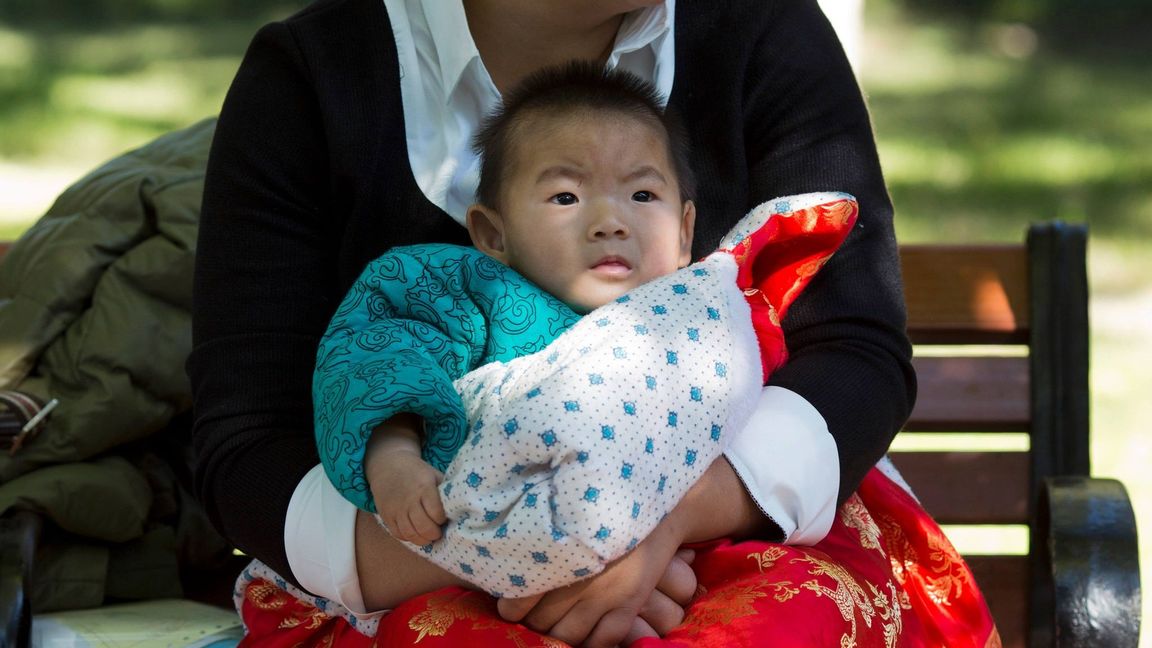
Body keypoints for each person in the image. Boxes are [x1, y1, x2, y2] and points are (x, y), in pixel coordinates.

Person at [192, 1, 997, 646]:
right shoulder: (312, 76)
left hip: (736, 517)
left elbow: (854, 354)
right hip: (420, 559)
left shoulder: (763, 30)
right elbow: (247, 439)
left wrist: (654, 523)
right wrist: (518, 552)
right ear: (488, 231)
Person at [312, 61, 857, 599]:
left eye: (642, 196)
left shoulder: (704, 318)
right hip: (481, 564)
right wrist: (393, 459)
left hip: (687, 551)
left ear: (686, 230)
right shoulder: (462, 293)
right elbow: (380, 357)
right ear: (492, 232)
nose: (610, 222)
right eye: (565, 197)